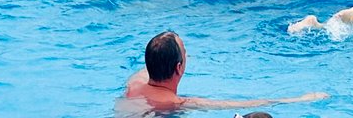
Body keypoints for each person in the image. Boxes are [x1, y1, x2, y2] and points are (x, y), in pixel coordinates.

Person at [122, 31, 326, 113]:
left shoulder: (134, 86)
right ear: (179, 67)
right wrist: (299, 99)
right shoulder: (175, 104)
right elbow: (243, 105)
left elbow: (150, 63)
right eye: (185, 54)